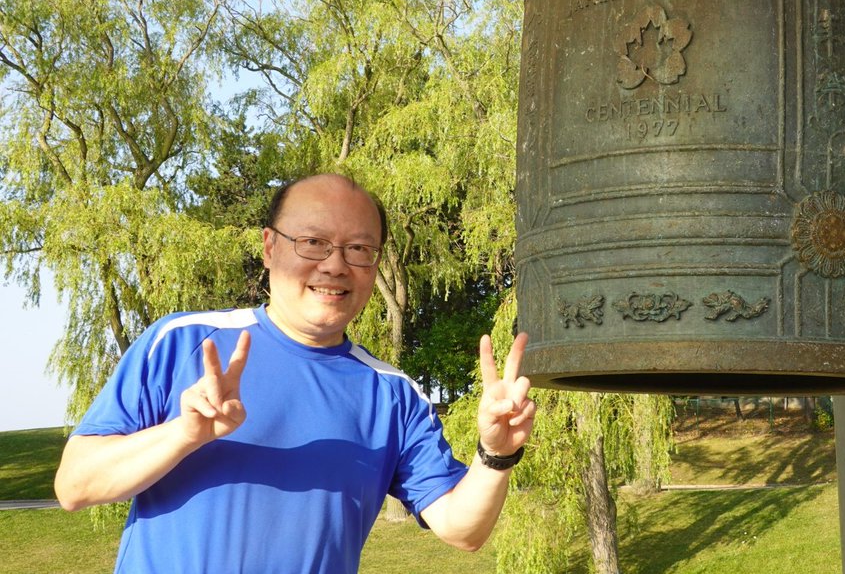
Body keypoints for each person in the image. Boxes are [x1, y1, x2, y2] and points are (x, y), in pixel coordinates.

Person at [54, 173, 536, 573]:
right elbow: (75, 486)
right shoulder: (182, 341)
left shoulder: (394, 397)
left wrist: (495, 454)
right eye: (313, 243)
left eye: (359, 249)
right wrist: (183, 434)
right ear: (269, 247)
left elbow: (464, 528)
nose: (335, 265)